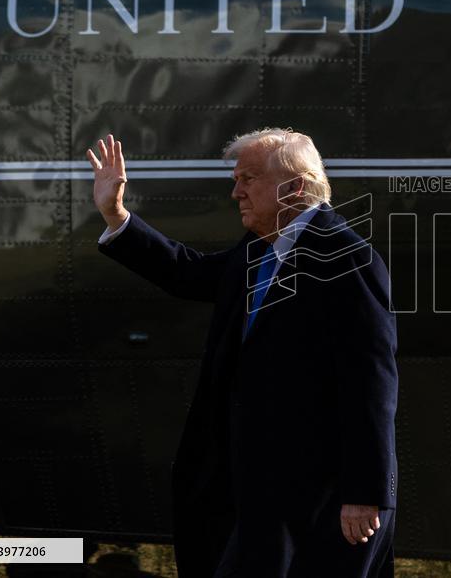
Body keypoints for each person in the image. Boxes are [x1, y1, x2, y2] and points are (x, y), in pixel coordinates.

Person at [86, 129, 398, 578]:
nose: (236, 192)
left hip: (319, 497)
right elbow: (188, 273)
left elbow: (370, 383)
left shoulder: (345, 259)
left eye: (248, 179)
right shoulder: (259, 250)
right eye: (236, 180)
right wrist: (116, 215)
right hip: (259, 492)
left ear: (294, 186)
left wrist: (365, 492)